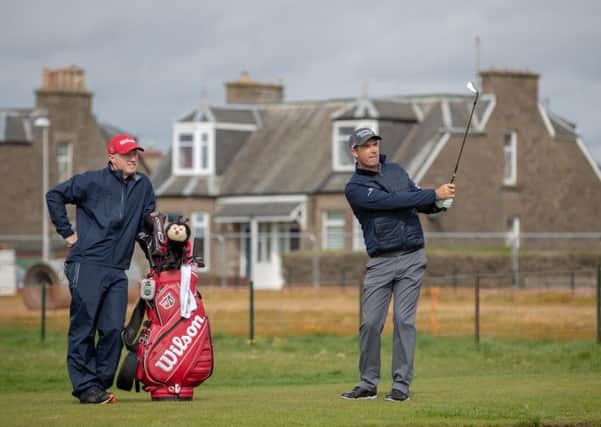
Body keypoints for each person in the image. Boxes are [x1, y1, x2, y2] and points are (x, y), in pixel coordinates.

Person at [340, 128, 454, 402]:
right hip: (380, 263)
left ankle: (401, 386)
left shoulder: (398, 171)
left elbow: (416, 200)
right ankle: (368, 384)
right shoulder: (355, 188)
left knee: (404, 321)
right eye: (365, 146)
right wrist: (432, 193)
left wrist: (439, 204)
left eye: (375, 144)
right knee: (370, 323)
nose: (372, 149)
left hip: (413, 258)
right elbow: (392, 202)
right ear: (354, 152)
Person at [46, 134, 156, 404]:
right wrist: (68, 234)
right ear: (112, 157)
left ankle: (99, 382)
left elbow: (146, 226)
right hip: (87, 264)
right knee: (84, 327)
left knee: (112, 329)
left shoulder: (143, 186)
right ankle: (86, 387)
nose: (133, 158)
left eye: (135, 153)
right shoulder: (92, 181)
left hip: (118, 268)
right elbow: (54, 196)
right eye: (127, 153)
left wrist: (157, 257)